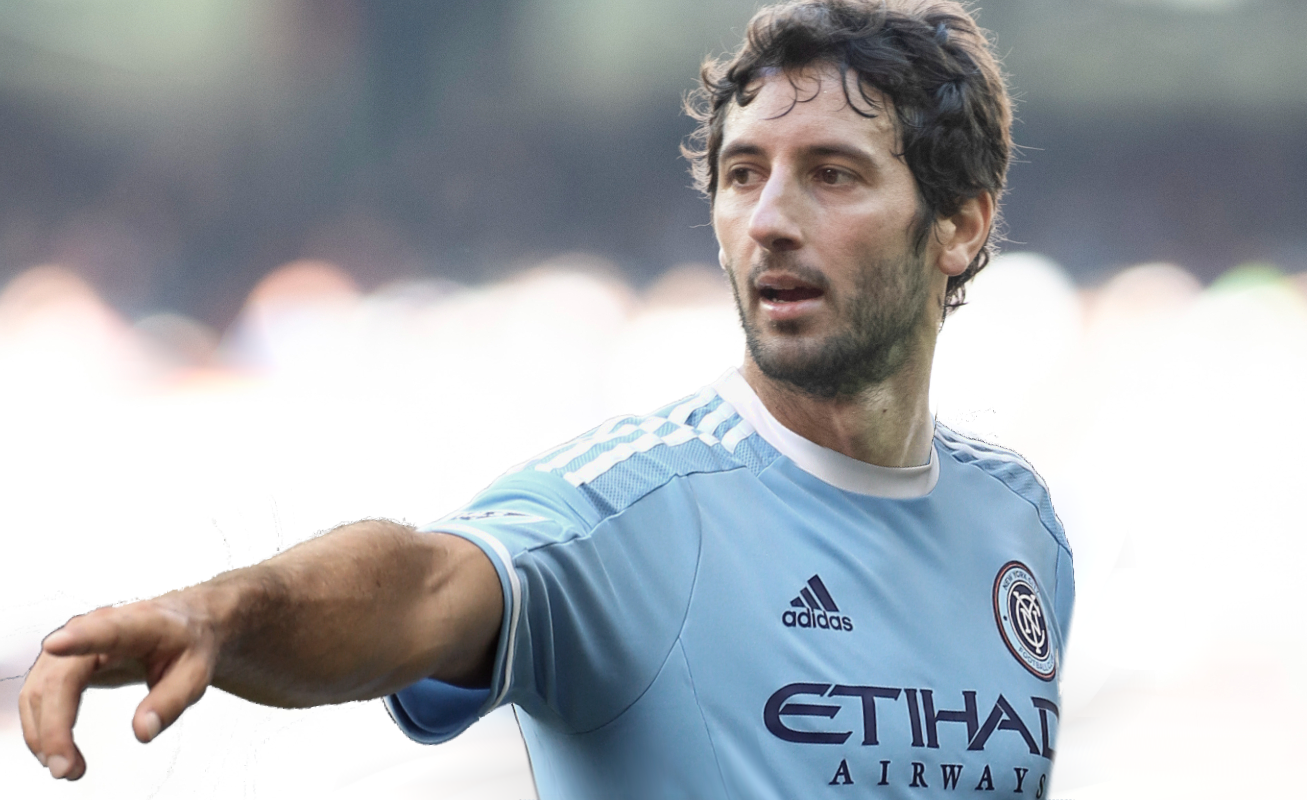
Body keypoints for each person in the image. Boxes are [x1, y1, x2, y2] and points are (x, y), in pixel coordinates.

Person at [19, 0, 1074, 796]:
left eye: (832, 174)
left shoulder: (1020, 525)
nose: (769, 221)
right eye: (744, 174)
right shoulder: (636, 511)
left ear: (960, 225)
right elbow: (422, 586)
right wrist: (223, 614)